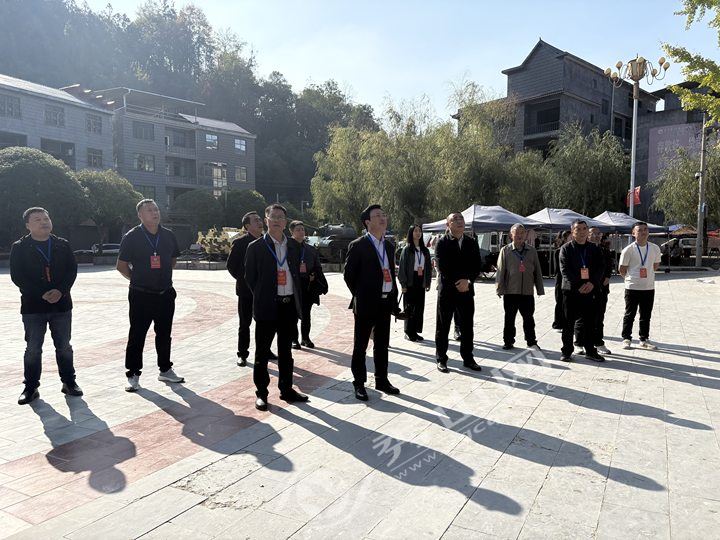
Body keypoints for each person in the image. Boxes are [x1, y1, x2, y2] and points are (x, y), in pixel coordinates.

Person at [10, 207, 82, 405]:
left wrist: (61, 291)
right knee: (33, 349)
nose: (44, 222)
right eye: (37, 219)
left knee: (64, 346)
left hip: (61, 305)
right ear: (28, 225)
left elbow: (71, 271)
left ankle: (69, 382)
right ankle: (31, 387)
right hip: (33, 306)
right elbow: (18, 276)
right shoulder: (20, 247)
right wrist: (41, 293)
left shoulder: (62, 245)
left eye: (46, 218)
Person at [245, 204, 308, 411]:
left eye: (281, 217)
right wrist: (264, 295)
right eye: (273, 217)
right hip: (267, 307)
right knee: (262, 353)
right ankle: (262, 393)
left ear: (285, 222)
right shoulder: (256, 247)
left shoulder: (293, 246)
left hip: (288, 306)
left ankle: (286, 389)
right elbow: (250, 278)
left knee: (286, 352)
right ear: (266, 220)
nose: (277, 221)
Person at [117, 199, 185, 392]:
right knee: (137, 334)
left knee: (164, 334)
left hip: (165, 293)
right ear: (140, 215)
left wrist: (160, 277)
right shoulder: (132, 237)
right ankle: (133, 374)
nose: (154, 213)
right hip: (141, 295)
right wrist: (139, 279)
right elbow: (121, 266)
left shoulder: (168, 235)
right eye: (149, 210)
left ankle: (165, 369)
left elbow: (172, 260)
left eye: (156, 209)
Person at [343, 204, 403, 401]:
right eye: (377, 215)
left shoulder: (389, 245)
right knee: (360, 346)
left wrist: (393, 298)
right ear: (367, 222)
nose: (383, 218)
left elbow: (390, 274)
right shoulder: (358, 245)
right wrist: (361, 294)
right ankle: (359, 383)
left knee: (382, 345)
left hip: (385, 303)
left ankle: (381, 380)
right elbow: (349, 275)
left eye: (384, 214)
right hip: (366, 304)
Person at [227, 211, 278, 366]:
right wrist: (244, 280)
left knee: (266, 323)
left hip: (265, 292)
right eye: (255, 221)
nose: (259, 222)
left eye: (260, 219)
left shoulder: (268, 241)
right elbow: (231, 266)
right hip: (246, 292)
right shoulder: (240, 243)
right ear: (247, 226)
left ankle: (265, 350)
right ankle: (242, 354)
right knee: (245, 323)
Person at [434, 212, 482, 373]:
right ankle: (441, 358)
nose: (459, 221)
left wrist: (468, 281)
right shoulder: (442, 243)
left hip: (466, 291)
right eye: (455, 219)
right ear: (448, 225)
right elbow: (442, 266)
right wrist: (458, 282)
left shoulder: (471, 242)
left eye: (461, 218)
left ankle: (468, 358)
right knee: (443, 326)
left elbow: (477, 265)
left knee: (467, 326)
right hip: (447, 291)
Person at [558, 220, 605, 362]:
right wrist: (579, 285)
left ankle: (590, 351)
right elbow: (565, 270)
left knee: (590, 323)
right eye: (578, 229)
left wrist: (592, 283)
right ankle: (567, 351)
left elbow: (600, 268)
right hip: (571, 291)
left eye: (584, 228)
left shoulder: (594, 248)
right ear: (572, 231)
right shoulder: (566, 249)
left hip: (590, 290)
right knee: (568, 324)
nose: (582, 231)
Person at [495, 223, 544, 351]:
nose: (520, 235)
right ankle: (508, 341)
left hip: (527, 291)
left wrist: (539, 289)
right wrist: (499, 288)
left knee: (529, 318)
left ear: (526, 235)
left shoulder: (531, 251)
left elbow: (537, 270)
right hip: (511, 291)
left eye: (522, 232)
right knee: (509, 318)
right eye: (517, 233)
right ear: (511, 235)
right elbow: (500, 271)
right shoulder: (505, 250)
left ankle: (531, 341)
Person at [619, 222, 662, 350]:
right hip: (632, 287)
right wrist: (631, 279)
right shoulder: (628, 250)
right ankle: (626, 338)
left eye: (645, 229)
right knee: (629, 314)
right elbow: (622, 269)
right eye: (640, 230)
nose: (643, 232)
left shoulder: (655, 248)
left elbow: (655, 266)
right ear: (633, 233)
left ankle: (644, 339)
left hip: (648, 287)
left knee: (646, 315)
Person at [288, 220, 328, 349]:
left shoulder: (310, 249)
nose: (301, 232)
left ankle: (305, 338)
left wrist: (315, 275)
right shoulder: (287, 247)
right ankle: (294, 339)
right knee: (293, 314)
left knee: (306, 314)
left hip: (308, 285)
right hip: (293, 286)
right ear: (292, 232)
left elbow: (317, 266)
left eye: (302, 229)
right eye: (298, 230)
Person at [575, 228, 614, 355]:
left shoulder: (604, 250)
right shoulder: (581, 249)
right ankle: (579, 343)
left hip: (600, 288)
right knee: (581, 317)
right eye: (593, 234)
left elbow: (609, 266)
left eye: (599, 234)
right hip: (584, 287)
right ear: (587, 235)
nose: (597, 236)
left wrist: (607, 277)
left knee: (599, 317)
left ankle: (598, 342)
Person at [398, 225, 432, 342]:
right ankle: (408, 331)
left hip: (420, 280)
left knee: (419, 308)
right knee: (409, 307)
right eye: (415, 231)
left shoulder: (425, 250)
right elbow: (402, 268)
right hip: (410, 281)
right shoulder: (407, 249)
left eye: (420, 231)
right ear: (411, 233)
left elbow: (428, 268)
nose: (418, 233)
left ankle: (415, 331)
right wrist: (403, 285)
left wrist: (427, 282)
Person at [552, 230, 571, 333]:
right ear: (565, 239)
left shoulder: (574, 250)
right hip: (561, 280)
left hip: (571, 280)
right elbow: (557, 270)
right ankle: (558, 323)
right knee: (560, 302)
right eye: (570, 238)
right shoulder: (558, 251)